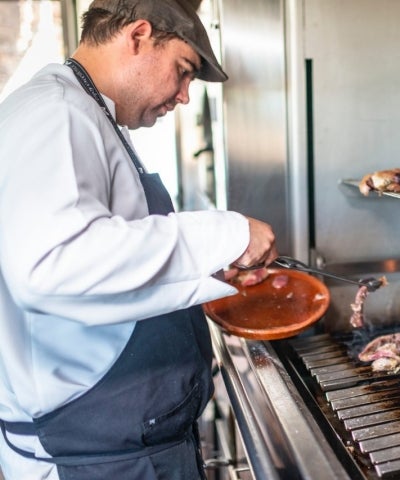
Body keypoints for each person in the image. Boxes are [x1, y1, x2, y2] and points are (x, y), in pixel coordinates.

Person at [0, 0, 278, 478]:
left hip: (120, 441)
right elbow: (53, 264)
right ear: (138, 36)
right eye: (183, 70)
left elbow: (104, 258)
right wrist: (226, 233)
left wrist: (204, 270)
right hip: (92, 454)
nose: (185, 95)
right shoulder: (58, 112)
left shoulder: (82, 110)